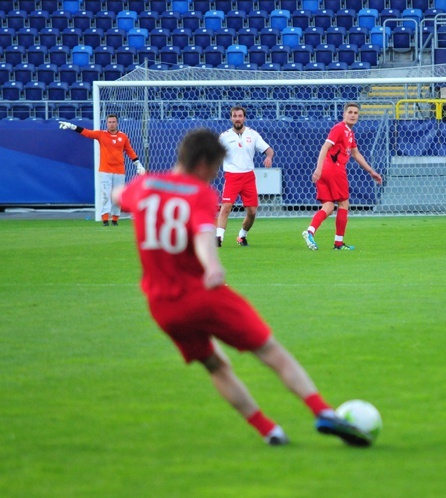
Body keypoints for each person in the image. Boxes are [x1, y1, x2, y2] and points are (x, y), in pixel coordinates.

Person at [112, 128, 371, 446]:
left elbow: (118, 196)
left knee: (215, 365)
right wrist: (212, 265)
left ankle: (269, 431)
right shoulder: (198, 193)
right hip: (201, 294)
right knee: (269, 350)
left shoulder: (144, 185)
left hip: (162, 307)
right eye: (215, 168)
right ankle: (322, 412)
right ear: (204, 163)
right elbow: (204, 233)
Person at [302, 102, 382, 251]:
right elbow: (325, 146)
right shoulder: (339, 128)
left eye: (355, 113)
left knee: (328, 206)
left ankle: (310, 231)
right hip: (334, 169)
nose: (352, 115)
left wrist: (371, 171)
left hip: (326, 170)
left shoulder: (350, 133)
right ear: (344, 114)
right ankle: (338, 243)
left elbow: (355, 153)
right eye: (350, 112)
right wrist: (318, 168)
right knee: (344, 204)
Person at [59, 115, 144, 226]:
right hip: (105, 170)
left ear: (117, 123)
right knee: (105, 194)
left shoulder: (123, 136)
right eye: (110, 122)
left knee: (117, 195)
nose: (112, 124)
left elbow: (129, 150)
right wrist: (71, 126)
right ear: (106, 123)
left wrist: (138, 164)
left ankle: (115, 219)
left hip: (119, 170)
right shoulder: (101, 134)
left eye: (114, 122)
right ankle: (104, 218)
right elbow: (87, 132)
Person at [216, 106, 275, 247]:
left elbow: (269, 150)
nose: (237, 118)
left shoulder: (253, 135)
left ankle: (242, 236)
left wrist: (269, 157)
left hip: (248, 177)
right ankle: (218, 238)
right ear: (231, 118)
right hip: (232, 176)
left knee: (252, 212)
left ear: (244, 118)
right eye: (235, 116)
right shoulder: (224, 137)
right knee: (226, 207)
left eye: (240, 116)